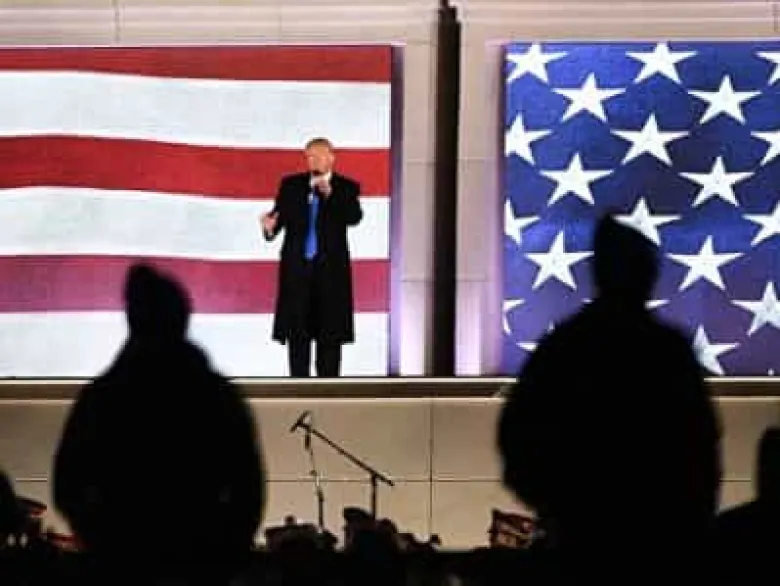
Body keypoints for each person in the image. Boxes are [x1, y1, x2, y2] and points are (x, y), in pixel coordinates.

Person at [260, 137, 363, 377]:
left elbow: (353, 217)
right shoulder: (291, 186)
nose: (313, 161)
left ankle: (328, 392)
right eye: (309, 157)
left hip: (330, 277)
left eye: (318, 156)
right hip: (298, 275)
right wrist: (269, 227)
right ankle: (298, 390)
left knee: (329, 341)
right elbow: (277, 221)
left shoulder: (346, 187)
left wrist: (330, 195)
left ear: (331, 158)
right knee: (298, 339)